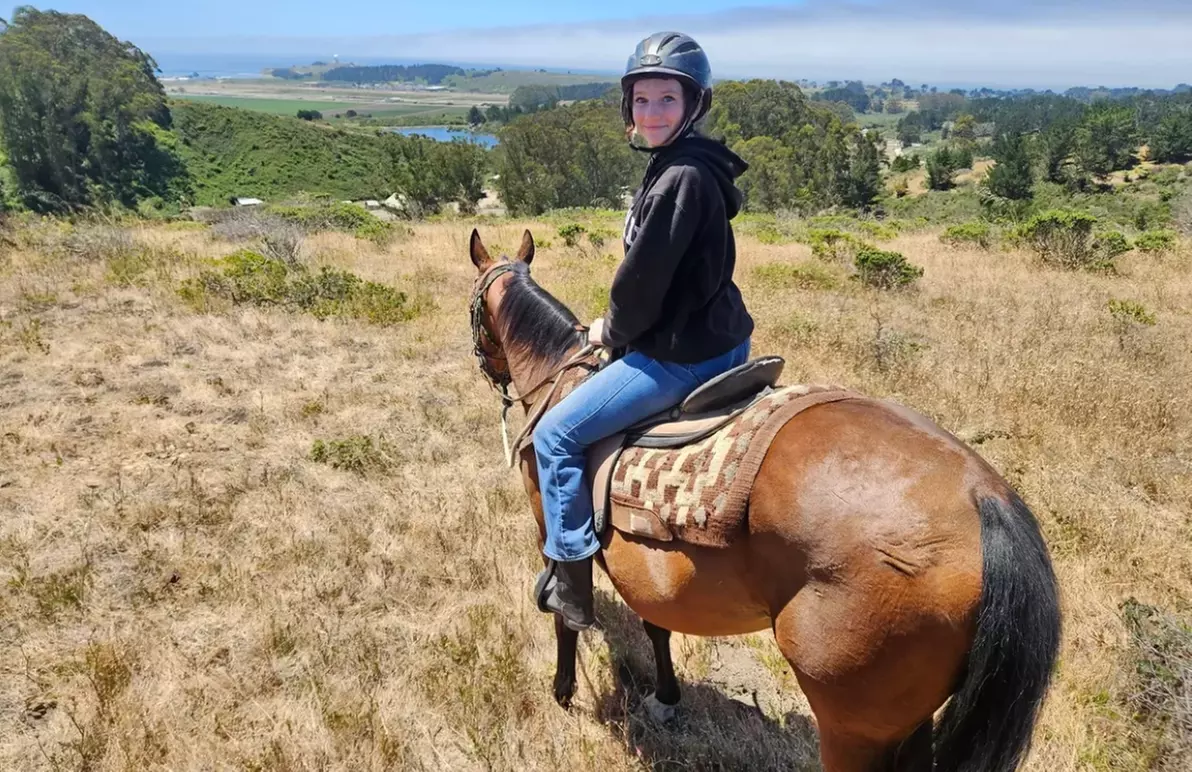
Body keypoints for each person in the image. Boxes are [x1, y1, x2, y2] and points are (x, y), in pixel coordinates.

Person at [532, 31, 755, 631]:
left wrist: (612, 329)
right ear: (627, 106)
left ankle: (572, 579)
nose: (651, 113)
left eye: (666, 100)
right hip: (726, 337)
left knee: (555, 436)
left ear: (693, 106)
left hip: (683, 352)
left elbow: (642, 283)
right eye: (642, 100)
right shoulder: (691, 164)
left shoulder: (679, 177)